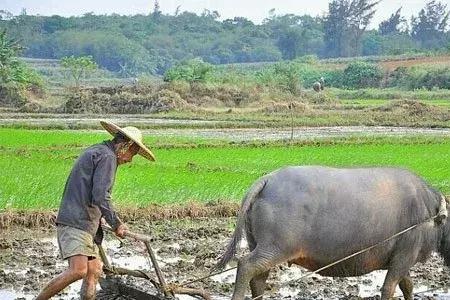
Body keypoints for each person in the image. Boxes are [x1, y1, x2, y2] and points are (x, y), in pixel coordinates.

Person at [35, 120, 155, 300]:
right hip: (77, 222)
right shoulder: (107, 157)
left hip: (84, 220)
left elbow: (91, 192)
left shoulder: (98, 151)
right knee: (78, 270)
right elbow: (100, 194)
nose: (130, 160)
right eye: (132, 153)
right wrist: (117, 223)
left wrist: (101, 217)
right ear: (125, 146)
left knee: (94, 270)